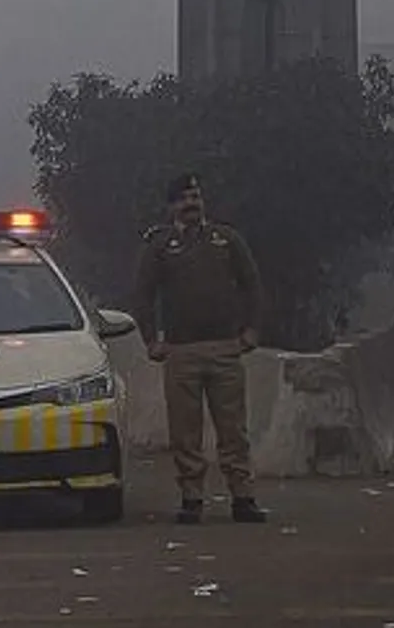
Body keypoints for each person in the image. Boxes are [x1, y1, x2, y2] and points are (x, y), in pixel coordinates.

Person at [134, 173, 267, 524]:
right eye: (183, 199)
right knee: (185, 430)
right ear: (171, 206)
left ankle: (243, 497)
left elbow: (252, 284)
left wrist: (252, 330)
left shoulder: (227, 239)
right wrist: (151, 340)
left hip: (225, 347)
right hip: (181, 351)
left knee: (233, 428)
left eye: (195, 196)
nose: (191, 204)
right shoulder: (160, 245)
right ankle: (191, 498)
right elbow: (143, 295)